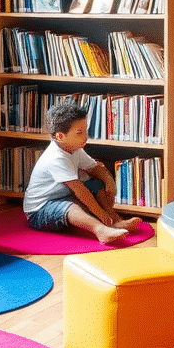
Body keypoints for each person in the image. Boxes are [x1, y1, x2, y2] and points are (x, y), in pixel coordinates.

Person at [22, 99, 143, 245]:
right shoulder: (56, 158)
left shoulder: (75, 149)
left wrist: (109, 181)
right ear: (60, 136)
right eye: (79, 133)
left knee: (95, 183)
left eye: (85, 131)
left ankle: (115, 221)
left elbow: (95, 169)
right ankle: (100, 229)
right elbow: (80, 191)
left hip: (64, 197)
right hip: (39, 211)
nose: (85, 137)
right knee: (71, 206)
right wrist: (100, 213)